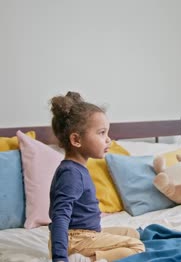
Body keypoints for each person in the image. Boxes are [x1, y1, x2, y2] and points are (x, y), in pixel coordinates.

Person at [48, 92, 145, 261]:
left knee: (132, 233)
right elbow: (60, 217)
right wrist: (59, 257)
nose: (108, 140)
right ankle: (87, 259)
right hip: (75, 240)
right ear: (76, 139)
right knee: (137, 246)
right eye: (101, 133)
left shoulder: (77, 168)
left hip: (87, 234)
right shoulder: (71, 173)